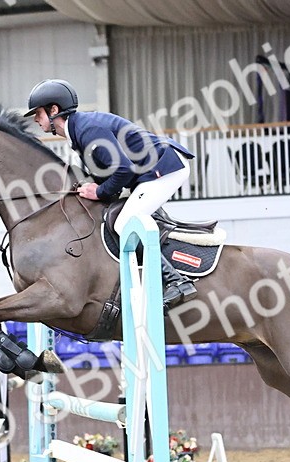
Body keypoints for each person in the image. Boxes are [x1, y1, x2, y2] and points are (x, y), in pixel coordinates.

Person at [25, 78, 198, 308]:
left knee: (125, 223)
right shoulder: (78, 132)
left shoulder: (87, 130)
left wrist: (98, 192)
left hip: (165, 168)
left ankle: (177, 282)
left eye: (38, 113)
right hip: (148, 172)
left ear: (54, 109)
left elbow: (123, 170)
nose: (36, 119)